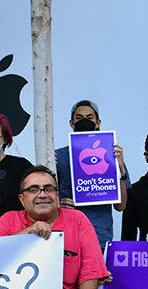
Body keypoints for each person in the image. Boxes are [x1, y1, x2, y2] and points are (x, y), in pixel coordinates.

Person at [54, 100, 128, 247]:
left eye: (89, 118)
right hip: (66, 235)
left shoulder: (112, 156)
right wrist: (58, 204)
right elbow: (45, 196)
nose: (85, 122)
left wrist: (122, 171)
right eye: (79, 118)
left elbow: (121, 206)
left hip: (100, 236)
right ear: (71, 123)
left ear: (98, 122)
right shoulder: (58, 156)